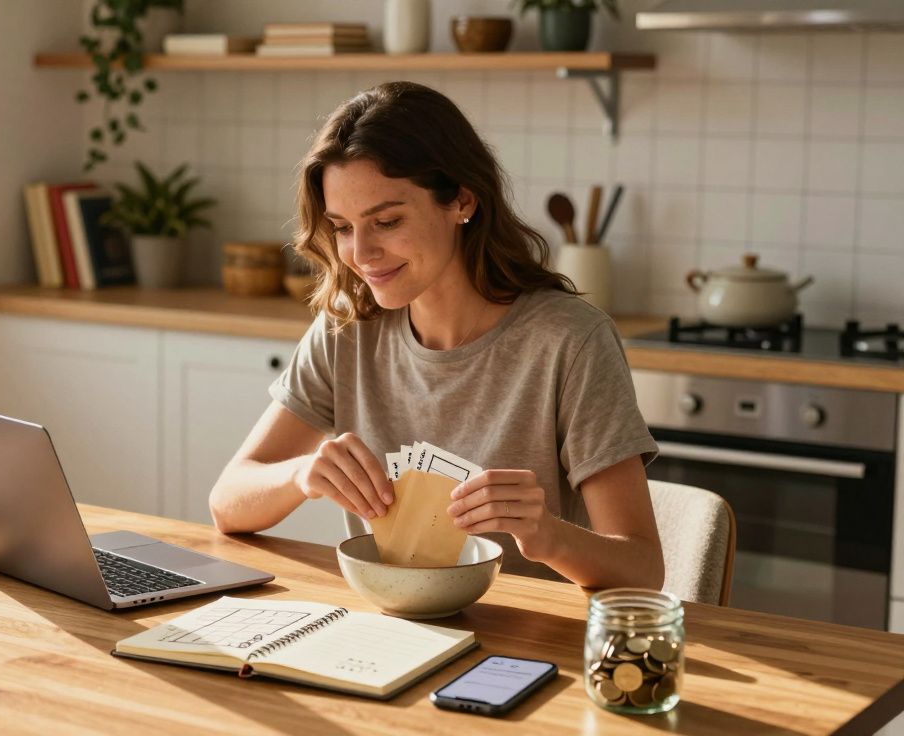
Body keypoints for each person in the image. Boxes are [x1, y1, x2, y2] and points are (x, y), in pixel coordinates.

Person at [208, 81, 663, 589]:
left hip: (524, 645)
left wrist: (548, 536)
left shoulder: (570, 342)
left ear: (462, 200)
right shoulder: (347, 330)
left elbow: (643, 569)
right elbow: (227, 503)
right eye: (341, 226)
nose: (361, 253)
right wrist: (300, 475)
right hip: (389, 631)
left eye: (386, 221)